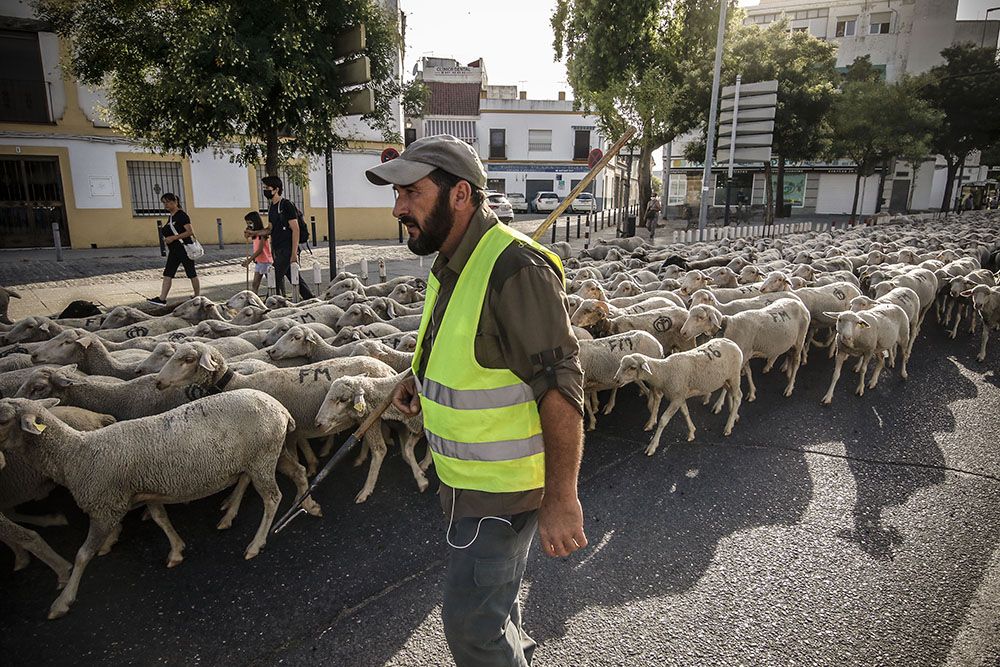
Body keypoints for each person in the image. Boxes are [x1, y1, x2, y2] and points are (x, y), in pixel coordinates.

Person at [366, 134, 588, 667]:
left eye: (410, 194)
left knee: (472, 627)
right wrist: (419, 378)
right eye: (397, 196)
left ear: (460, 195)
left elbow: (561, 383)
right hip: (467, 481)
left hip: (501, 493)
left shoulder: (515, 268)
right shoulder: (452, 262)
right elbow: (473, 349)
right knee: (497, 604)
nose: (399, 208)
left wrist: (562, 496)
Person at [245, 176, 313, 300]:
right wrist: (253, 233)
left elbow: (295, 229)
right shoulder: (271, 208)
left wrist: (293, 253)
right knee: (295, 278)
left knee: (273, 277)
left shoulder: (286, 205)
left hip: (287, 249)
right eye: (264, 188)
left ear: (276, 189)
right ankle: (310, 298)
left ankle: (267, 304)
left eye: (267, 188)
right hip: (277, 248)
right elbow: (269, 229)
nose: (265, 190)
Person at [148, 193, 199, 306]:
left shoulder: (182, 215)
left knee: (191, 273)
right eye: (164, 202)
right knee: (168, 273)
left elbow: (190, 232)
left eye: (168, 202)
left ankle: (197, 296)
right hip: (174, 250)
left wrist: (173, 238)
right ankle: (162, 299)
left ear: (175, 202)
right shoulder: (171, 216)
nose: (165, 204)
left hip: (184, 249)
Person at [242, 211, 272, 295]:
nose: (249, 225)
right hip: (260, 262)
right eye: (247, 223)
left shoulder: (262, 234)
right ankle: (254, 300)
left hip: (266, 262)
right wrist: (247, 234)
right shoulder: (254, 234)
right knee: (255, 284)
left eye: (250, 223)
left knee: (271, 283)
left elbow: (260, 250)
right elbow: (247, 236)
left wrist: (250, 260)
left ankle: (274, 296)